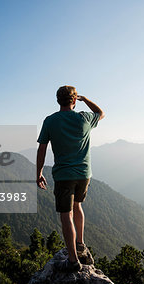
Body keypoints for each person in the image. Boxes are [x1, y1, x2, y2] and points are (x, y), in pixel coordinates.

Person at [36, 85, 104, 272]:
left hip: (63, 175)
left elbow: (42, 148)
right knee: (78, 206)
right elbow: (100, 112)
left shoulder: (50, 121)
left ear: (58, 100)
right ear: (74, 100)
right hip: (84, 174)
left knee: (66, 215)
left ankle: (73, 260)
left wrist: (39, 173)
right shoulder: (84, 118)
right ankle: (80, 244)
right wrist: (85, 99)